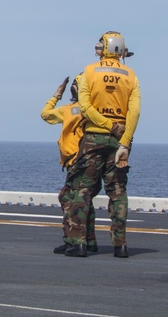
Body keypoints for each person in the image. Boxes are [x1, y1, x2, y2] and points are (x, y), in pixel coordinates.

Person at [64, 31, 141, 259]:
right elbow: (134, 112)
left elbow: (85, 108)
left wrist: (107, 125)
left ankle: (79, 243)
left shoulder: (89, 72)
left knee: (83, 190)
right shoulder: (131, 76)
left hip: (93, 138)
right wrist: (124, 140)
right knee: (117, 192)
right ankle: (121, 244)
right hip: (119, 140)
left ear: (104, 48)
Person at [41, 72, 100, 254]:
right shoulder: (96, 111)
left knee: (69, 199)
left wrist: (57, 95)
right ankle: (89, 241)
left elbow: (45, 115)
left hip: (76, 161)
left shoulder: (68, 110)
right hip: (95, 160)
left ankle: (74, 240)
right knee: (86, 199)